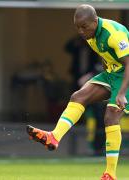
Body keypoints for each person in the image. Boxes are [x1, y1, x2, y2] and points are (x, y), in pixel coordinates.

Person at [26, 4, 129, 180]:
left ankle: (110, 175)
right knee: (78, 96)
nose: (81, 31)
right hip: (112, 73)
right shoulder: (90, 34)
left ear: (95, 21)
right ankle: (54, 137)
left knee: (110, 116)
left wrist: (120, 93)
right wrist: (105, 76)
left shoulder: (114, 34)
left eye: (84, 27)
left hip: (125, 73)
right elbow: (106, 55)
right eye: (77, 27)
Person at [64, 36, 106, 156]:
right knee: (74, 109)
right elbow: (66, 48)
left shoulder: (95, 47)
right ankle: (72, 144)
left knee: (99, 115)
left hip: (94, 82)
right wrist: (76, 39)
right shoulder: (77, 47)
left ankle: (98, 148)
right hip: (77, 81)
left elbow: (100, 65)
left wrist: (90, 76)